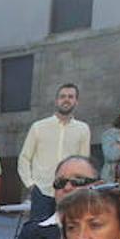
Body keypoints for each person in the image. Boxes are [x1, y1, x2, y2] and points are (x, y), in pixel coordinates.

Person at [5, 156, 101, 239]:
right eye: (60, 182)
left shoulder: (109, 231)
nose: (67, 188)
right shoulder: (33, 231)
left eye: (78, 181)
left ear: (98, 185)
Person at [18, 83, 92, 222]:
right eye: (62, 96)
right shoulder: (39, 127)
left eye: (71, 97)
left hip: (69, 192)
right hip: (42, 192)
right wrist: (31, 185)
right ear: (56, 100)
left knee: (65, 234)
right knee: (39, 234)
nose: (66, 100)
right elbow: (24, 157)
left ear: (76, 101)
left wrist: (79, 188)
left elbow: (83, 162)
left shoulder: (83, 129)